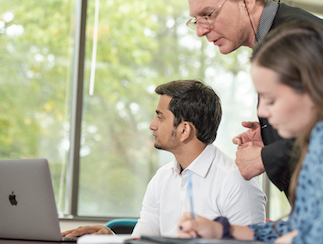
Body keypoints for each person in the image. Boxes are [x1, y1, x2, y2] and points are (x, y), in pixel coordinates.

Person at [179, 0, 323, 198]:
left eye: (208, 14)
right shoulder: (277, 39)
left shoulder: (299, 39)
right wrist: (275, 133)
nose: (200, 30)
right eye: (196, 19)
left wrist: (265, 157)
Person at [177, 21, 323, 243]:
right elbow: (296, 227)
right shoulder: (316, 143)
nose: (261, 111)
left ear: (312, 89)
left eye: (271, 99)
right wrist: (221, 231)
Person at [62, 79, 266, 238]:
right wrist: (110, 238)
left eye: (160, 117)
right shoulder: (162, 178)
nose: (152, 125)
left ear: (184, 129)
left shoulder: (236, 181)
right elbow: (143, 238)